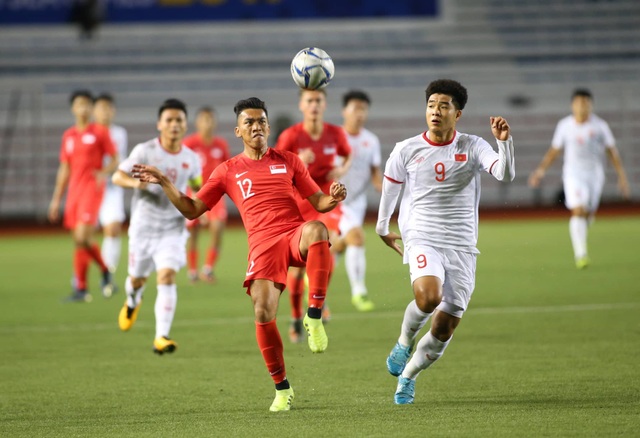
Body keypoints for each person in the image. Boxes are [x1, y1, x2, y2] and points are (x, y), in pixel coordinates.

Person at [130, 97, 346, 412]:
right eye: (249, 122)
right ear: (237, 131)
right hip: (262, 246)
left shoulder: (289, 161)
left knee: (317, 229)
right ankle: (282, 388)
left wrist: (333, 197)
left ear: (269, 127)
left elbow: (319, 203)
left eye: (261, 121)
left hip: (292, 235)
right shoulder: (227, 170)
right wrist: (164, 181)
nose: (256, 126)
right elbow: (192, 210)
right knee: (262, 311)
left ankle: (313, 314)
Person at [376, 79, 515, 404]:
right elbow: (390, 189)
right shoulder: (407, 149)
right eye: (431, 105)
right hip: (422, 235)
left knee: (444, 328)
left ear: (458, 113)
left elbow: (505, 174)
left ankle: (408, 376)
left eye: (443, 106)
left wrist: (504, 143)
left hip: (463, 245)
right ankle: (404, 340)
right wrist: (383, 227)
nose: (435, 111)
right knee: (428, 297)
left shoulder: (473, 146)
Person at [112, 98, 202, 355]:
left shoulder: (191, 158)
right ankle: (132, 300)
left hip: (173, 228)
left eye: (179, 120)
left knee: (166, 276)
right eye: (169, 120)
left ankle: (161, 336)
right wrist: (136, 184)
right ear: (159, 124)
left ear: (185, 125)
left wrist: (202, 205)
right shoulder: (145, 151)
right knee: (138, 279)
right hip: (143, 228)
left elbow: (197, 185)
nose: (174, 124)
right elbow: (118, 176)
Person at [275, 88, 352, 342]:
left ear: (325, 104)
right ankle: (296, 317)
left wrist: (341, 168)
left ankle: (317, 302)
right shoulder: (291, 136)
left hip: (327, 198)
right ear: (301, 105)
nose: (314, 105)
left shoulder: (336, 133)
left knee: (329, 244)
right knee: (296, 270)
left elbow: (347, 153)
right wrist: (296, 160)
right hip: (299, 201)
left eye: (318, 100)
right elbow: (273, 166)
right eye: (309, 100)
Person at [528, 88, 630, 269]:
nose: (582, 107)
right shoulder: (564, 126)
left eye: (586, 103)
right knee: (578, 210)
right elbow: (554, 151)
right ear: (572, 105)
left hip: (595, 176)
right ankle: (581, 254)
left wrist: (622, 178)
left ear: (591, 106)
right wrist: (540, 171)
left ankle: (582, 233)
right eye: (579, 103)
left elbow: (612, 152)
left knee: (587, 214)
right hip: (573, 175)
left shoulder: (600, 126)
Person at [48, 90, 118, 302]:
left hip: (92, 189)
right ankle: (83, 287)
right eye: (80, 104)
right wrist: (56, 199)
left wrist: (103, 173)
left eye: (88, 104)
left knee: (82, 236)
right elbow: (64, 169)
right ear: (73, 108)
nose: (84, 108)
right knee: (79, 242)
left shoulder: (99, 132)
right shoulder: (69, 136)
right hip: (74, 192)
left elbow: (115, 159)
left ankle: (104, 273)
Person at [333, 90, 383, 312]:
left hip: (358, 202)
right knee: (357, 238)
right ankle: (359, 292)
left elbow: (374, 171)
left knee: (338, 245)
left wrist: (383, 187)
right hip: (336, 201)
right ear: (345, 111)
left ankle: (314, 281)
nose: (360, 113)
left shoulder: (371, 141)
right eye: (355, 108)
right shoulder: (334, 138)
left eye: (363, 109)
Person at [183, 106, 231, 283]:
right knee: (193, 233)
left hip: (216, 195)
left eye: (210, 119)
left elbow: (228, 170)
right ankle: (193, 271)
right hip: (194, 193)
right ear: (197, 122)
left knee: (217, 229)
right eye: (204, 119)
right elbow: (184, 170)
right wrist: (195, 194)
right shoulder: (189, 144)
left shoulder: (221, 144)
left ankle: (208, 269)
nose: (207, 123)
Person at [94, 93, 128, 276]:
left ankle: (108, 270)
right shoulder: (88, 132)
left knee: (113, 228)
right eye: (101, 108)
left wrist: (104, 173)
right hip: (90, 187)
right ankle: (80, 278)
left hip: (111, 187)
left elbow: (118, 159)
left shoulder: (119, 133)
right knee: (83, 235)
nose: (105, 112)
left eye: (108, 108)